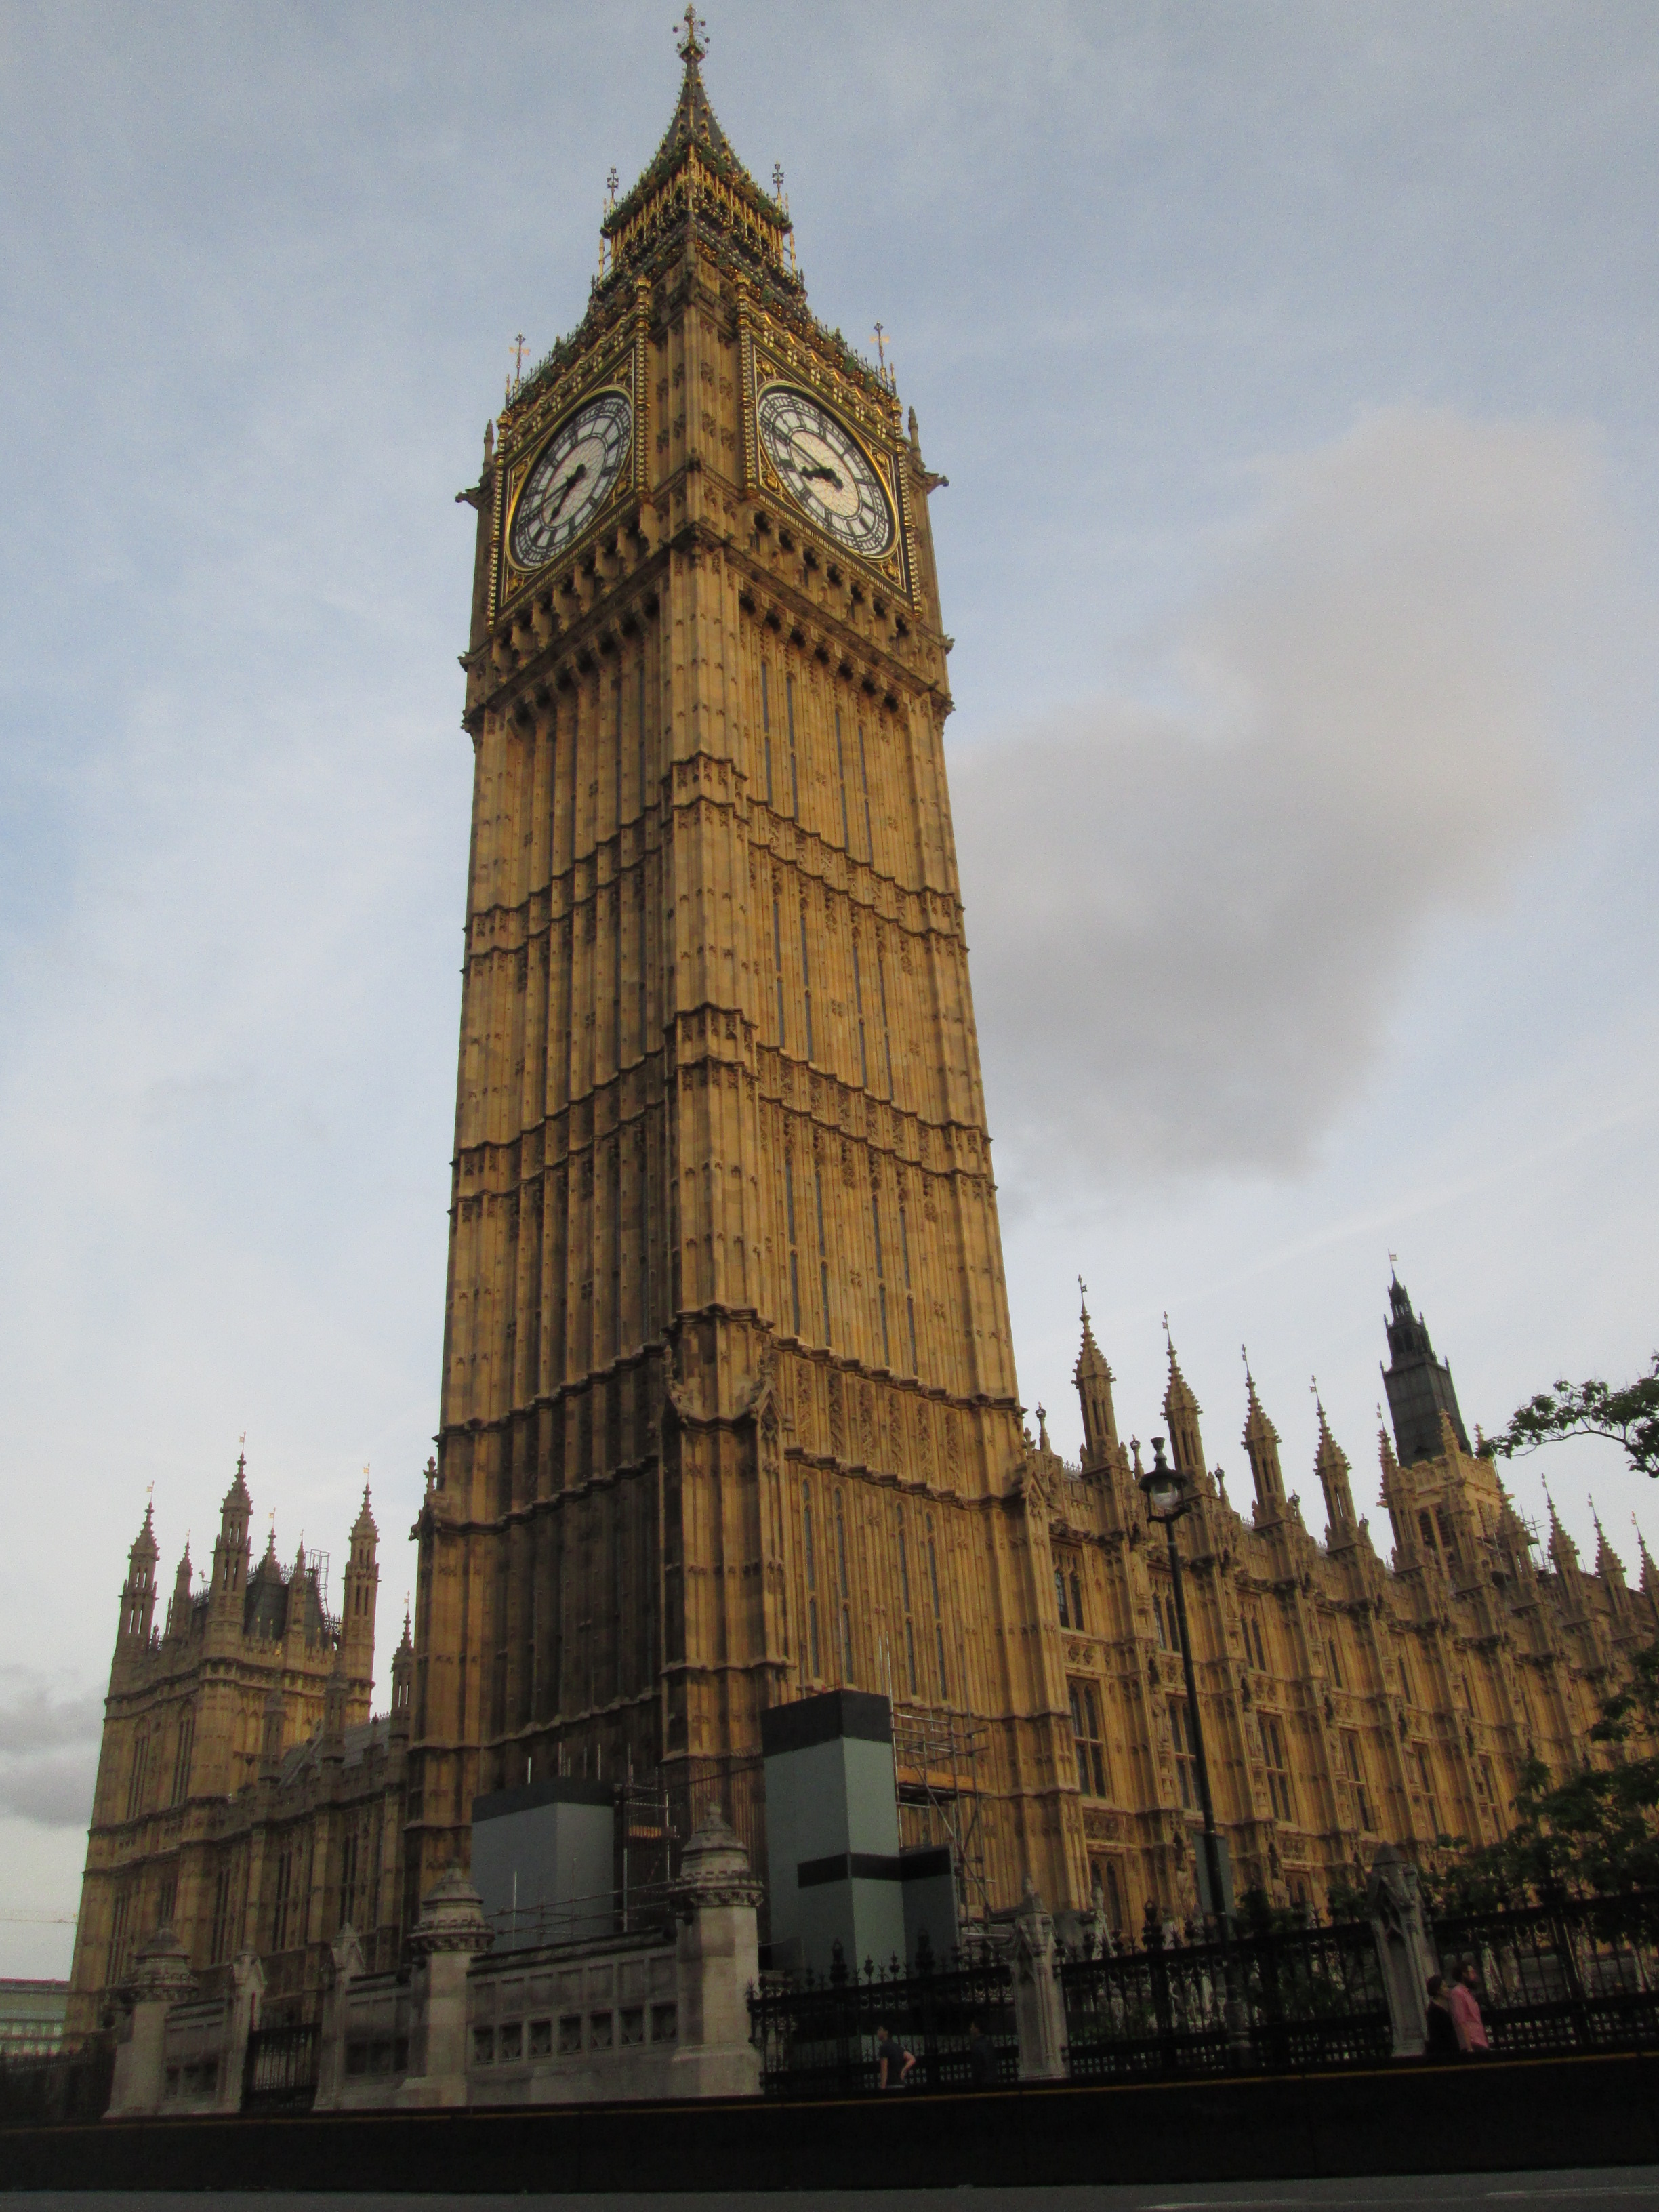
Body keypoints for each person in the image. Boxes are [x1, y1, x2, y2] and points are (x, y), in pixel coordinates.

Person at [1448, 1956, 1491, 2055]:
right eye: (1472, 1973)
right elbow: (1461, 2021)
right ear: (1464, 1974)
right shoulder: (1457, 1993)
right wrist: (1469, 2047)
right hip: (1472, 2041)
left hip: (1480, 2040)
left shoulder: (1468, 1993)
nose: (1475, 1976)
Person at [1424, 1973, 1460, 2061]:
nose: (1447, 1989)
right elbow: (1436, 2034)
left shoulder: (1447, 2005)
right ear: (1438, 1990)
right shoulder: (1434, 2010)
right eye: (1444, 1987)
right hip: (1442, 2052)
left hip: (1452, 2048)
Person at [875, 2022, 917, 2089]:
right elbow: (912, 2059)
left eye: (880, 2030)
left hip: (891, 2084)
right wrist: (904, 2070)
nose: (878, 2032)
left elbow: (884, 2070)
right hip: (900, 2083)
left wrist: (883, 2087)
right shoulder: (897, 2047)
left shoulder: (884, 2048)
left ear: (886, 2032)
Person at [967, 2017, 999, 2088]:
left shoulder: (976, 2046)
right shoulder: (988, 2043)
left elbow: (977, 2067)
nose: (971, 2029)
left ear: (977, 2029)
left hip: (983, 2082)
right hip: (992, 2080)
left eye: (972, 2027)